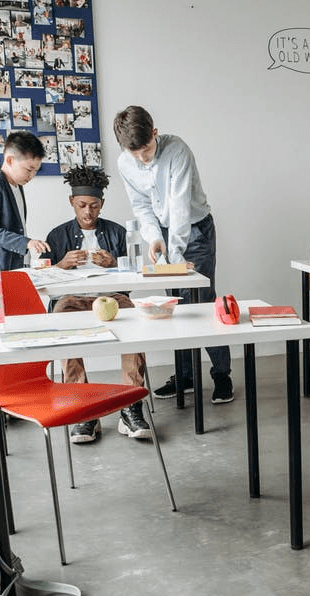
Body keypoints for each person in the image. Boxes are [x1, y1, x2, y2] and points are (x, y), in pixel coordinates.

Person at [113, 105, 234, 404]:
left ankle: (222, 375)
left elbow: (179, 207)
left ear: (155, 133)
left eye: (146, 148)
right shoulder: (125, 163)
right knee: (173, 306)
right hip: (165, 233)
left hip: (195, 230)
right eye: (134, 152)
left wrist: (176, 256)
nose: (142, 157)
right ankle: (186, 377)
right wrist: (155, 239)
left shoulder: (178, 150)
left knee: (203, 302)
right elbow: (141, 206)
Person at [38, 166, 152, 444]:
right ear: (71, 203)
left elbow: (136, 275)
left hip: (112, 298)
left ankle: (130, 405)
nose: (88, 212)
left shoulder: (117, 232)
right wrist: (60, 265)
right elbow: (44, 280)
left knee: (134, 316)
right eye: (82, 206)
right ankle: (84, 408)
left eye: (94, 205)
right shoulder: (57, 235)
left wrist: (115, 264)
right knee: (60, 315)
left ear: (102, 204)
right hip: (74, 301)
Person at [0, 130, 49, 270]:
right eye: (29, 170)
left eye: (36, 171)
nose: (32, 176)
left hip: (19, 264)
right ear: (9, 160)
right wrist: (26, 243)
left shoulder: (17, 185)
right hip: (1, 268)